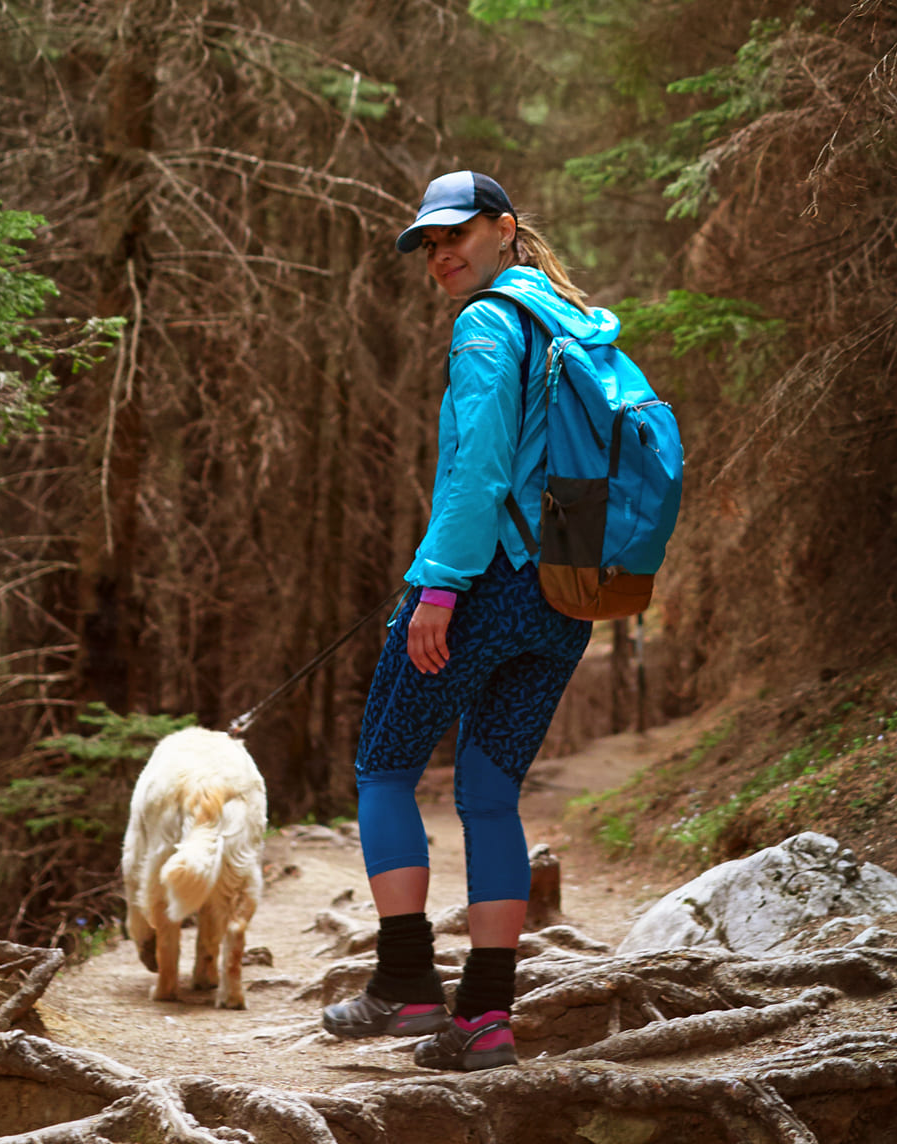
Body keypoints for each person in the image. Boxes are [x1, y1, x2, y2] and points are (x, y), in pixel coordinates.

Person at [317, 170, 598, 1070]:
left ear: (506, 228)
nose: (442, 255)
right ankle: (484, 1020)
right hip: (567, 594)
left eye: (458, 236)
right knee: (487, 795)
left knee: (385, 769)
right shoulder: (574, 322)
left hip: (485, 587)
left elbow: (477, 474)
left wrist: (438, 589)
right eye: (430, 245)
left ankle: (404, 986)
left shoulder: (487, 324)